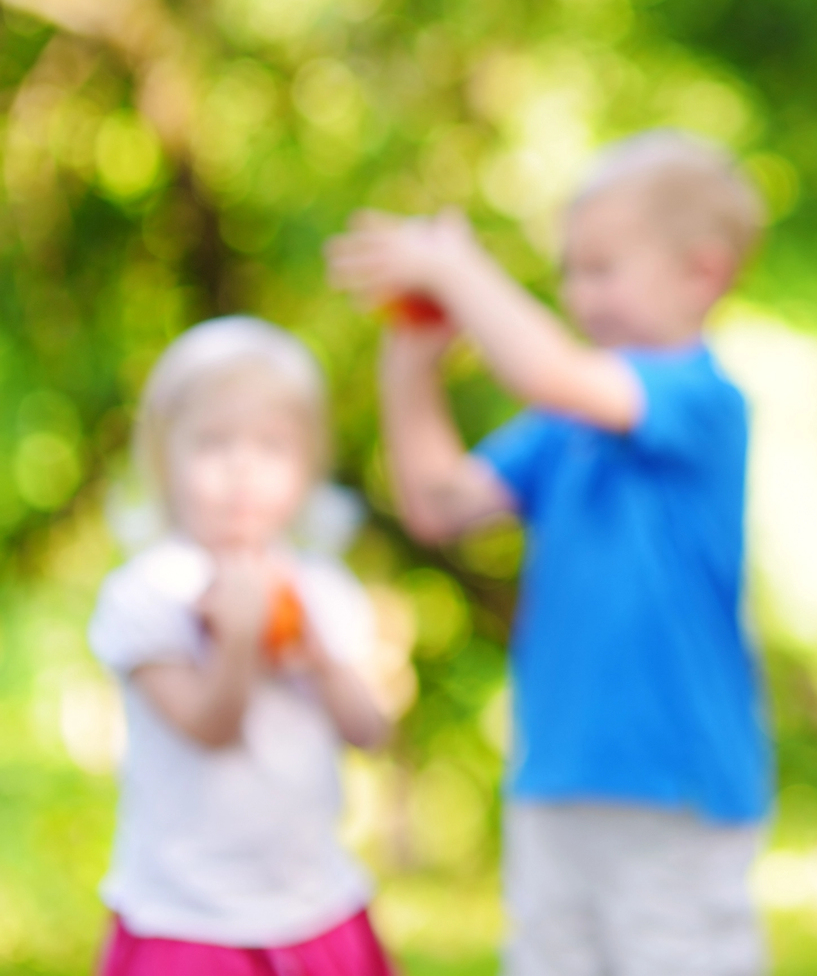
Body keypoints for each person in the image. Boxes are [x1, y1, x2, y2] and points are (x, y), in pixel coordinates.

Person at [325, 130, 769, 976]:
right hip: (557, 771)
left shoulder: (701, 399)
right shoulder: (564, 428)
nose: (577, 291)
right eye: (570, 270)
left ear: (700, 274)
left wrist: (459, 270)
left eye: (601, 268)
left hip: (674, 782)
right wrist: (410, 364)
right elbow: (438, 502)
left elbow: (547, 370)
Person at [88, 316, 394, 975]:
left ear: (308, 466)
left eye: (272, 446)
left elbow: (370, 730)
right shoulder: (150, 591)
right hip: (190, 913)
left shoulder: (321, 587)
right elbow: (210, 726)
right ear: (163, 460)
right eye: (212, 443)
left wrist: (320, 655)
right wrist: (238, 643)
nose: (242, 469)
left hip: (314, 900)